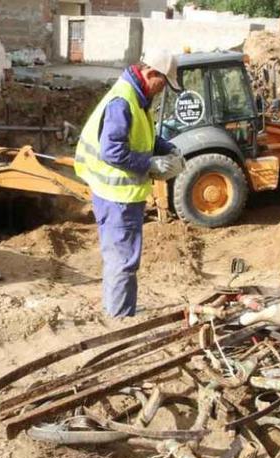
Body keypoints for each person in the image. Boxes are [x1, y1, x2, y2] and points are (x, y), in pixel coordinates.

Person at [74, 49, 186, 318]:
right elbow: (112, 151)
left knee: (119, 257)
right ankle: (120, 319)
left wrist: (166, 147)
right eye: (163, 83)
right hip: (117, 196)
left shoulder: (137, 96)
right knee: (123, 260)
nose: (163, 90)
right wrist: (150, 164)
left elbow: (141, 136)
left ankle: (117, 309)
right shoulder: (123, 101)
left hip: (119, 194)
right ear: (150, 73)